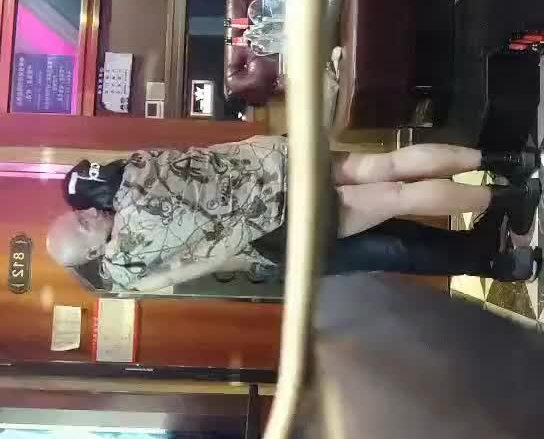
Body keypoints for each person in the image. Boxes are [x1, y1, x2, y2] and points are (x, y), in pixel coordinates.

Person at [46, 137, 541, 294]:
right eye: (83, 224)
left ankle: (509, 192)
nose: (88, 214)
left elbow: (192, 267)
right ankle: (508, 170)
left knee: (395, 192)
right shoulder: (129, 179)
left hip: (275, 213)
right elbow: (204, 156)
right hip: (272, 172)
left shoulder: (126, 257)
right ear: (91, 250)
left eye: (80, 214)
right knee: (389, 176)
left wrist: (238, 248)